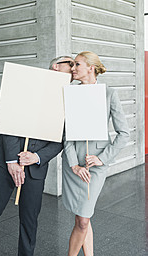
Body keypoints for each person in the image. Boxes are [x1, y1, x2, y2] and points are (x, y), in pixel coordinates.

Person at [0, 56, 74, 256]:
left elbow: (61, 140)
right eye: (69, 64)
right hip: (4, 163)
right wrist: (12, 161)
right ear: (55, 66)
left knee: (30, 219)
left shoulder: (67, 99)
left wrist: (36, 157)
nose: (72, 69)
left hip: (35, 170)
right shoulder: (27, 87)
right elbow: (9, 123)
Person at [62, 51, 130, 256]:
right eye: (72, 65)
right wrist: (73, 164)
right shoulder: (69, 92)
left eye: (77, 65)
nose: (73, 69)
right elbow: (66, 135)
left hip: (95, 166)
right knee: (83, 218)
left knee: (83, 218)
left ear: (91, 68)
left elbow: (124, 133)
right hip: (73, 164)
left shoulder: (109, 93)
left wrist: (101, 158)